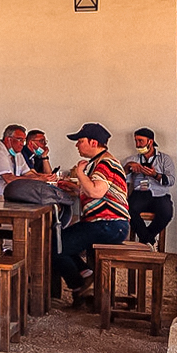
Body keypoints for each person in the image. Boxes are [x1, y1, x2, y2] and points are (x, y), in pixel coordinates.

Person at [52, 123, 130, 303]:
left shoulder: (105, 163)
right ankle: (85, 273)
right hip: (108, 224)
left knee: (54, 244)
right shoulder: (101, 162)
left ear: (93, 142)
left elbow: (96, 192)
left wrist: (79, 173)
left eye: (80, 141)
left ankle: (78, 284)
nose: (77, 145)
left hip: (108, 224)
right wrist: (77, 188)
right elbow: (97, 191)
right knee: (60, 239)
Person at [124, 128, 176, 247]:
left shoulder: (165, 159)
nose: (137, 144)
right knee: (128, 210)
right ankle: (150, 242)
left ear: (150, 142)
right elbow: (120, 179)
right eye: (136, 141)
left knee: (167, 213)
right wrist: (128, 168)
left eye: (141, 141)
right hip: (140, 193)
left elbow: (171, 181)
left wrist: (155, 175)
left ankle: (144, 241)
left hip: (160, 194)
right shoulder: (132, 159)